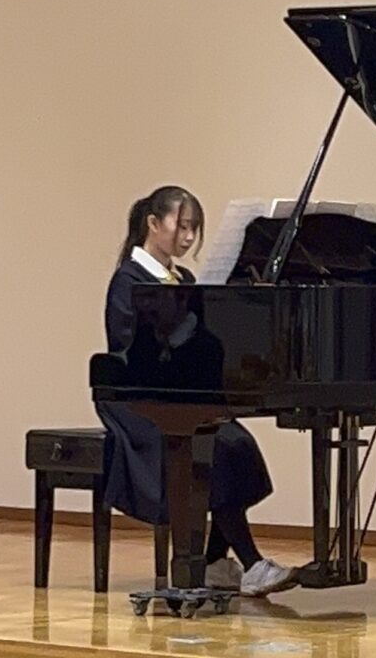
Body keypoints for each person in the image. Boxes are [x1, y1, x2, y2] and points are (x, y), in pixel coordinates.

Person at [95, 185, 298, 597]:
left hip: (181, 399)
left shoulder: (184, 280)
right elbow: (134, 352)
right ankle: (251, 562)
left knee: (236, 445)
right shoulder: (129, 280)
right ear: (153, 223)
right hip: (140, 403)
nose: (188, 237)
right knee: (215, 448)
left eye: (194, 229)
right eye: (182, 226)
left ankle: (215, 561)